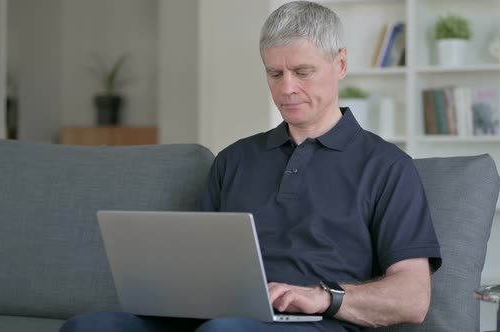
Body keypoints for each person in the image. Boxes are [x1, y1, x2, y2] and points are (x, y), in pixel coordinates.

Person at [60, 1, 441, 331]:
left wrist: (324, 298)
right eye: (274, 73)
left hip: (316, 324)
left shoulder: (387, 166)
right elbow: (196, 265)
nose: (286, 88)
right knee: (89, 325)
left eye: (302, 72)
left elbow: (413, 297)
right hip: (215, 319)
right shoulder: (235, 160)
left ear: (340, 63)